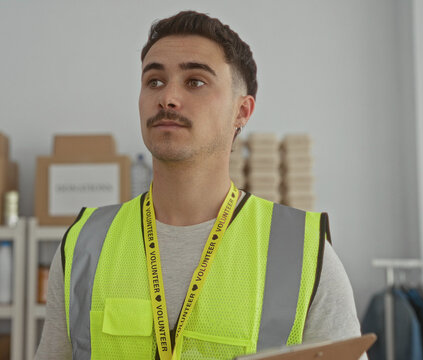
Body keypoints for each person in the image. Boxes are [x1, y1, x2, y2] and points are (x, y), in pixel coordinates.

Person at [34, 10, 364, 360]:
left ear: (242, 112)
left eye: (195, 81)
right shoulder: (84, 244)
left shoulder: (304, 253)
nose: (168, 97)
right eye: (155, 81)